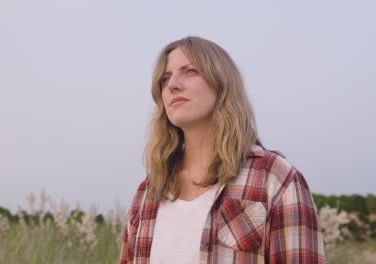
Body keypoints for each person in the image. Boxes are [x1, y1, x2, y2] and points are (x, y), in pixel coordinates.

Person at [119, 36, 326, 264]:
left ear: (222, 84)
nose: (172, 84)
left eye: (190, 71)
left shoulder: (274, 178)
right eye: (165, 78)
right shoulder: (148, 191)